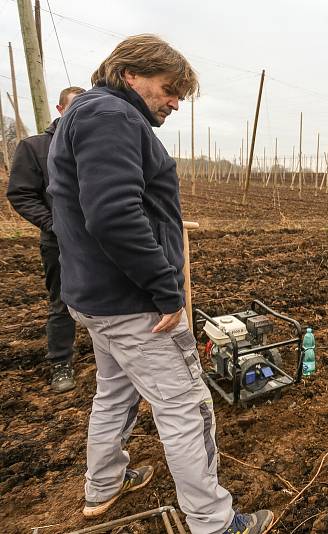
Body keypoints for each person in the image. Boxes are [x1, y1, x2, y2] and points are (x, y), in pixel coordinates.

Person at [47, 35, 272, 533]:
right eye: (168, 90)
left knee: (114, 391)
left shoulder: (84, 116)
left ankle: (104, 484)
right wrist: (165, 290)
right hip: (134, 303)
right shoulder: (113, 118)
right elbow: (114, 217)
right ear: (130, 74)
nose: (173, 102)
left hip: (95, 299)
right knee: (187, 406)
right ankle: (214, 523)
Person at [7, 86, 85, 393]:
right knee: (62, 301)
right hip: (60, 242)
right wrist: (54, 224)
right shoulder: (35, 147)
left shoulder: (96, 147)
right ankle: (61, 362)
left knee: (112, 300)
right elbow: (21, 194)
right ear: (60, 109)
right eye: (75, 108)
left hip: (102, 242)